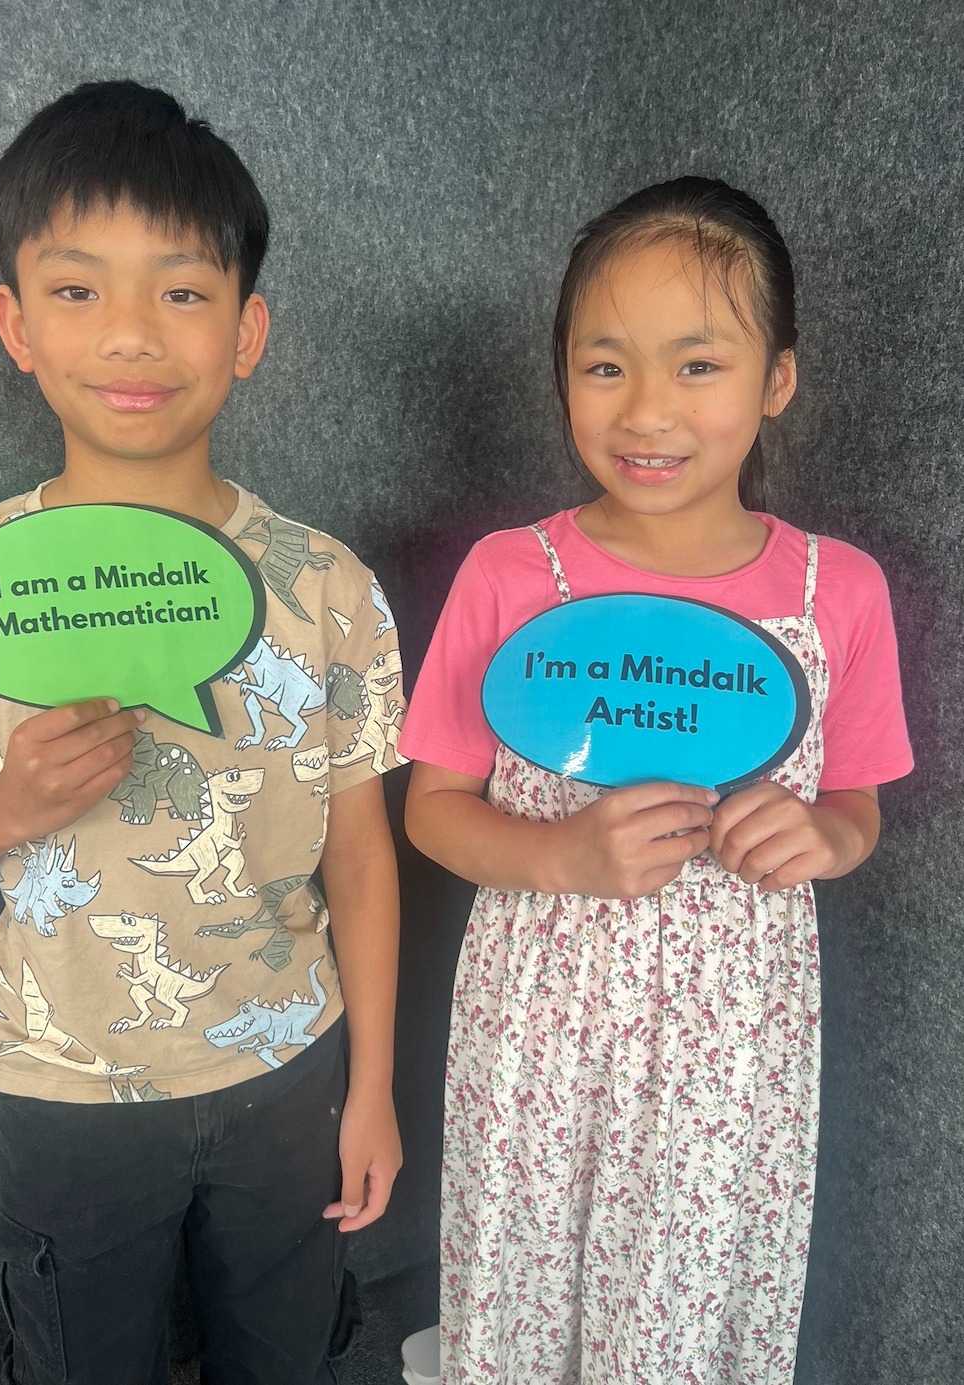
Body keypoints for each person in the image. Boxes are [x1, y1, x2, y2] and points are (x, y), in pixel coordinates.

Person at [0, 80, 405, 1385]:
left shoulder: (325, 583)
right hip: (68, 1091)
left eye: (180, 291)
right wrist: (14, 803)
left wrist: (373, 1085)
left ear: (247, 329)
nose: (130, 335)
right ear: (15, 324)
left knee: (293, 1357)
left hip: (290, 1071)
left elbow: (366, 856)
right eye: (77, 289)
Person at [399, 177, 912, 1384]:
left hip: (730, 1050)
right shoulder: (507, 572)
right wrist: (558, 857)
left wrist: (824, 837)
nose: (647, 410)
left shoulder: (836, 591)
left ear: (776, 379)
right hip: (533, 1026)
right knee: (516, 1294)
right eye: (604, 364)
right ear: (562, 374)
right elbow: (430, 808)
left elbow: (860, 806)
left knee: (676, 1325)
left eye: (697, 365)